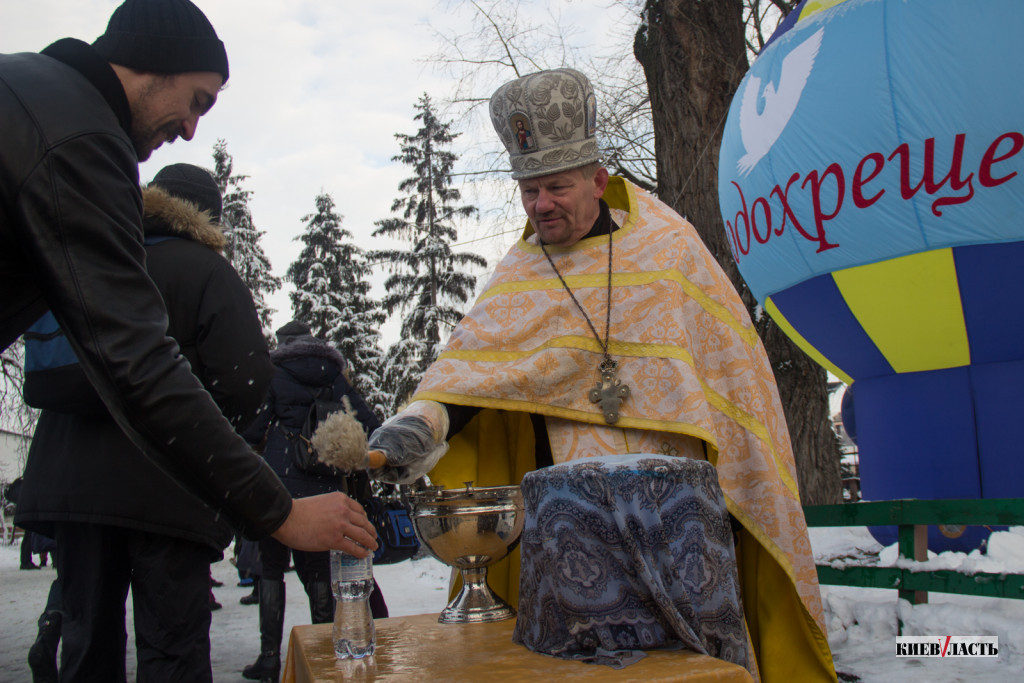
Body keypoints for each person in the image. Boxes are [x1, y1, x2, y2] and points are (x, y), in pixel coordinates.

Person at [367, 69, 836, 680]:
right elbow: (472, 376)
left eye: (556, 187)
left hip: (681, 529)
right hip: (570, 537)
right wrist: (421, 421)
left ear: (597, 181)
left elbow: (733, 381)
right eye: (529, 191)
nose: (541, 205)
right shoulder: (520, 276)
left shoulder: (672, 251)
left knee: (692, 671)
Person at [0, 0, 376, 561]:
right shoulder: (81, 139)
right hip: (165, 503)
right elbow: (139, 362)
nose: (190, 129)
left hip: (71, 491)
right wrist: (278, 511)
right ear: (154, 61)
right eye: (196, 101)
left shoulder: (28, 88)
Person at [15, 163, 272, 681]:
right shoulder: (205, 270)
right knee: (171, 648)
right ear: (207, 217)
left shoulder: (95, 259)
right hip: (168, 488)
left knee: (86, 643)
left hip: (74, 489)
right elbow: (245, 381)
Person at [241, 322, 388, 683]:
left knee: (271, 570)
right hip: (324, 487)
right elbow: (371, 423)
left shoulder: (273, 373)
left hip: (278, 485)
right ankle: (324, 651)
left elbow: (254, 429)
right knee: (321, 574)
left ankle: (269, 658)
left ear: (283, 344)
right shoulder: (334, 375)